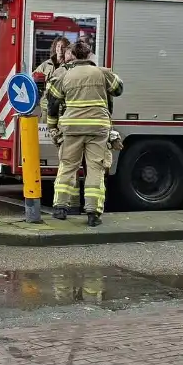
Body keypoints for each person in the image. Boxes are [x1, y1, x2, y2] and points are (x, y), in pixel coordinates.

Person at [45, 40, 124, 227]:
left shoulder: (65, 75)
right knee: (95, 168)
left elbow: (53, 103)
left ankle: (60, 208)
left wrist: (53, 127)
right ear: (89, 55)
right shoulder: (103, 73)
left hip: (72, 127)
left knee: (67, 166)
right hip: (98, 127)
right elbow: (119, 90)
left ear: (73, 55)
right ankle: (93, 213)